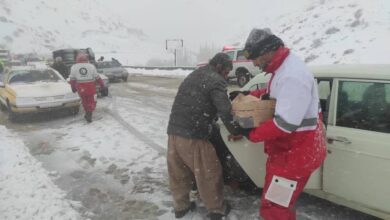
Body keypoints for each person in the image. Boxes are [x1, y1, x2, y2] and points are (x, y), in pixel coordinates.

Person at [239, 28, 327, 220]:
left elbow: (285, 124)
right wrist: (249, 96)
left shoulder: (292, 75)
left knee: (275, 207)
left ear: (267, 51)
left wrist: (251, 134)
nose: (254, 63)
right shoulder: (283, 69)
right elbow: (276, 97)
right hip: (289, 151)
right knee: (277, 203)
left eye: (255, 57)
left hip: (294, 154)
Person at [167, 53, 244, 220]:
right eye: (226, 72)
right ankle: (217, 210)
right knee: (209, 172)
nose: (226, 76)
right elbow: (225, 111)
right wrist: (236, 131)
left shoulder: (195, 74)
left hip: (173, 132)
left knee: (179, 173)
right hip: (194, 134)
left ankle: (181, 207)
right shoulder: (216, 80)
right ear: (220, 67)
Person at [69, 53, 105, 123]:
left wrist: (73, 87)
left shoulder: (74, 67)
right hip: (90, 87)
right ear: (86, 59)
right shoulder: (91, 66)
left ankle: (87, 113)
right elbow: (97, 77)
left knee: (84, 101)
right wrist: (102, 85)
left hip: (80, 87)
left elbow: (72, 79)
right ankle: (89, 112)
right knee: (92, 101)